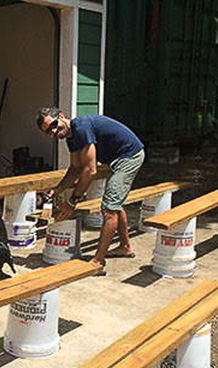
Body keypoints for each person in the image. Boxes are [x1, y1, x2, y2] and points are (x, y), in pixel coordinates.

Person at [36, 107, 145, 272]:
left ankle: (98, 261)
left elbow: (90, 170)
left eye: (54, 125)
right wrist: (57, 190)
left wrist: (73, 201)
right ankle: (125, 247)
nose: (54, 132)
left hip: (129, 156)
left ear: (61, 116)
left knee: (109, 209)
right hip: (117, 158)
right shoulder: (71, 138)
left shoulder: (80, 127)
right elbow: (75, 168)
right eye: (48, 132)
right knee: (115, 203)